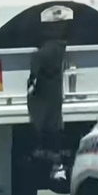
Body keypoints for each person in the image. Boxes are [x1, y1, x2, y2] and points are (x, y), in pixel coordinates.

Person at [27, 40, 67, 182]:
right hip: (55, 102)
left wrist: (32, 83)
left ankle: (45, 154)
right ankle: (56, 162)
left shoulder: (39, 56)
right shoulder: (59, 51)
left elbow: (34, 76)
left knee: (45, 130)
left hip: (43, 104)